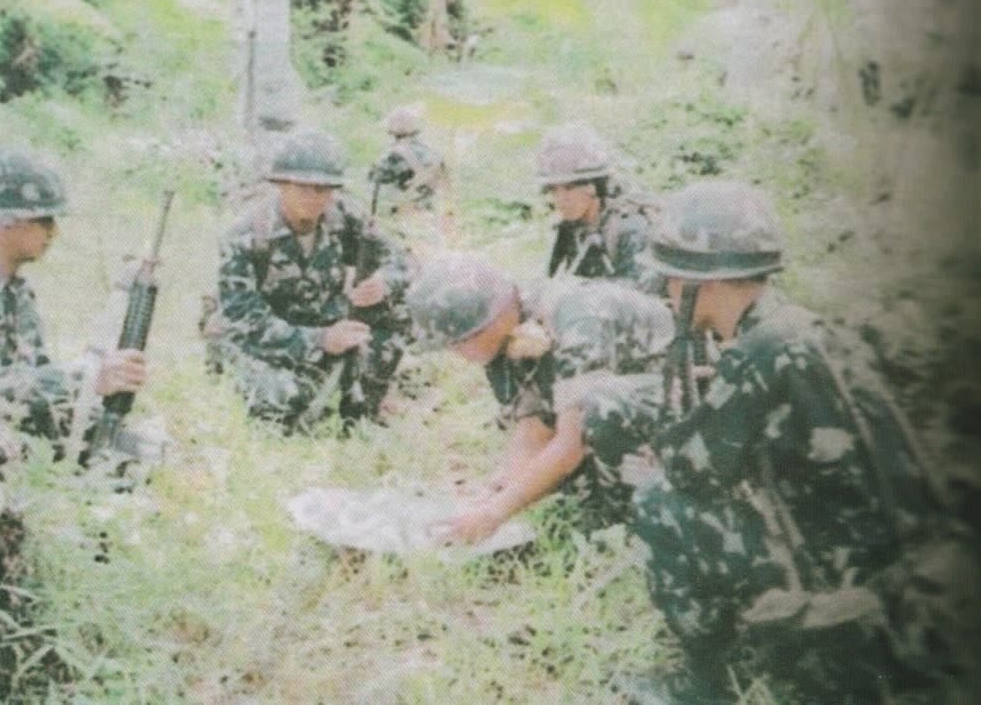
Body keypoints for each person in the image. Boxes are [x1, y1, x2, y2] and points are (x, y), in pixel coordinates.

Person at [625, 180, 956, 704]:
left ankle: (705, 685)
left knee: (658, 499)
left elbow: (691, 472)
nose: (666, 290)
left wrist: (661, 452)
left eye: (670, 277)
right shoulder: (799, 328)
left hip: (865, 599)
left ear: (700, 283)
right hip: (920, 577)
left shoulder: (761, 354)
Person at [406, 254, 674, 542]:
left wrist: (494, 514)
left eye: (459, 343)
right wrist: (499, 490)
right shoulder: (509, 334)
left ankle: (647, 516)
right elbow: (533, 429)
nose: (458, 354)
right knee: (561, 492)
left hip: (685, 411)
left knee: (600, 410)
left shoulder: (577, 316)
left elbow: (573, 442)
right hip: (634, 417)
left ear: (491, 321)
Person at [213, 128, 414, 432]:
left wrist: (384, 282)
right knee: (283, 398)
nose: (313, 197)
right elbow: (244, 321)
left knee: (400, 305)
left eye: (323, 189)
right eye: (302, 187)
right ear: (281, 184)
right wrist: (319, 341)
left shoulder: (342, 216)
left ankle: (366, 399)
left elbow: (402, 261)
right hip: (266, 341)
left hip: (327, 323)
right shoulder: (245, 236)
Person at [0, 148, 148, 460]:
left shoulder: (13, 290)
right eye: (44, 220)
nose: (54, 232)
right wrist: (83, 379)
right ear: (4, 220)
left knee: (130, 450)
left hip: (4, 422)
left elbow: (33, 378)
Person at [535, 123, 662, 292]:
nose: (561, 199)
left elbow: (640, 291)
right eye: (553, 190)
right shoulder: (571, 228)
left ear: (594, 187)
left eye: (569, 188)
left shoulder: (630, 227)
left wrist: (581, 291)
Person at [368, 105, 448, 215]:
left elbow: (375, 196)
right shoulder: (433, 154)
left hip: (403, 216)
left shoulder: (389, 157)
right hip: (431, 216)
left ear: (391, 131)